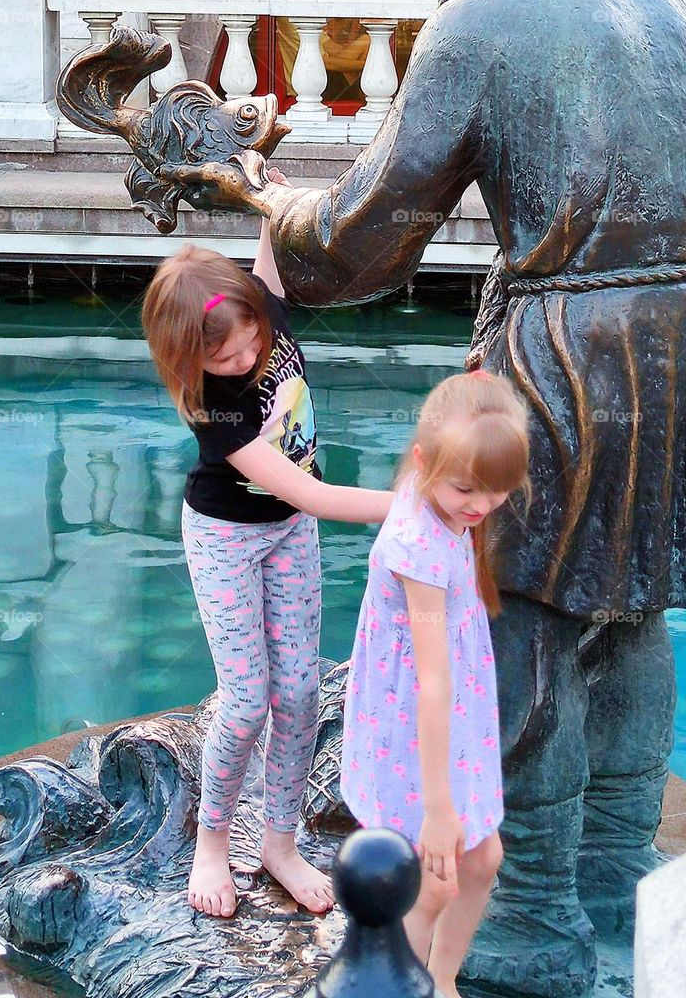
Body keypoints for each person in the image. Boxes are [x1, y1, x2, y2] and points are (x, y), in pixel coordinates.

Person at [159, 0, 686, 996]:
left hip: (576, 353)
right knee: (625, 607)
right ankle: (606, 876)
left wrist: (250, 197)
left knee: (520, 616)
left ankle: (530, 918)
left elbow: (357, 245)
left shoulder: (474, 27)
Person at [140, 191, 393, 920]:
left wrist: (266, 193)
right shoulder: (212, 409)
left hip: (288, 535)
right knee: (247, 701)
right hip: (227, 538)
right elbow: (309, 495)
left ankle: (279, 843)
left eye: (250, 342)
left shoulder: (257, 309)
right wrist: (416, 505)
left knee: (301, 696)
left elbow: (270, 249)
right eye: (224, 357)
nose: (247, 359)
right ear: (187, 358)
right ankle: (213, 840)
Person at [341, 370, 529, 998]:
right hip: (414, 724)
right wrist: (440, 809)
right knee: (432, 880)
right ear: (424, 463)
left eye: (499, 492)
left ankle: (441, 978)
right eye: (467, 489)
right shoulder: (418, 546)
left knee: (484, 861)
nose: (480, 507)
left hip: (454, 712)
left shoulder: (437, 492)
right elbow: (429, 680)